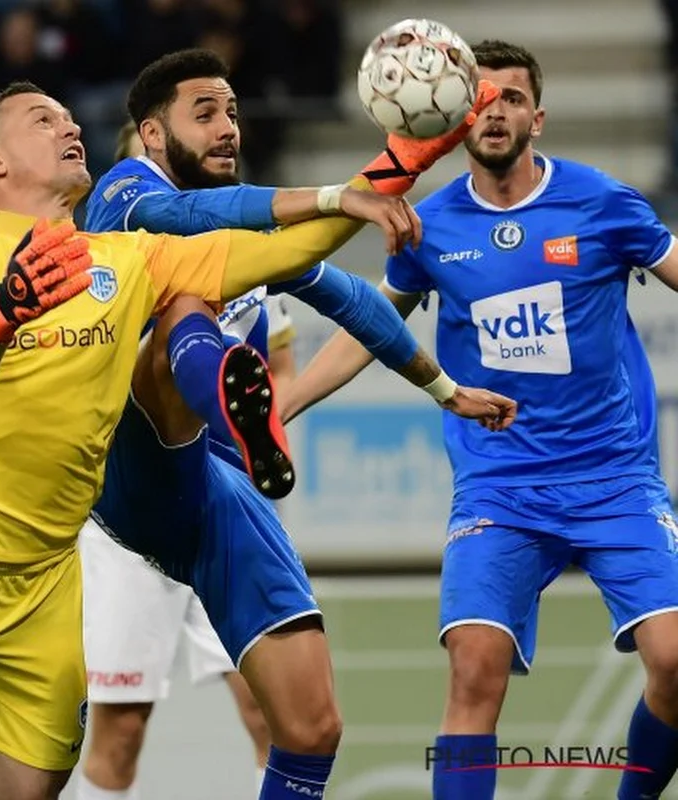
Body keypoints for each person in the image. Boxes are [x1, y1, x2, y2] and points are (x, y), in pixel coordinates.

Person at [0, 78, 494, 800]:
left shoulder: (127, 259)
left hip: (43, 584)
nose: (69, 126)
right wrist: (2, 313)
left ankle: (215, 407)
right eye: (42, 119)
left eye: (68, 116)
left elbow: (279, 247)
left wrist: (395, 167)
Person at [77, 49, 517, 800]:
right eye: (205, 113)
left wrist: (443, 388)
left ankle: (249, 425)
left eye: (234, 113)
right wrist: (339, 196)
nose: (228, 129)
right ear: (152, 134)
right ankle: (234, 406)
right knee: (186, 300)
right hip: (130, 486)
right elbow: (198, 215)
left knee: (308, 728)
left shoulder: (247, 240)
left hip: (221, 493)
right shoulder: (125, 194)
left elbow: (349, 296)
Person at [280, 40, 678, 800]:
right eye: (480, 101)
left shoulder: (603, 203)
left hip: (614, 478)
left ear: (539, 116)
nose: (494, 113)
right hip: (500, 487)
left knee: (676, 659)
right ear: (455, 118)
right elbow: (373, 327)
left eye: (512, 100)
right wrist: (286, 405)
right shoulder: (428, 227)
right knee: (473, 666)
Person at [79, 124, 297, 800]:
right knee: (119, 727)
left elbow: (279, 363)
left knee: (275, 713)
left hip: (226, 502)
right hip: (133, 519)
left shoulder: (244, 256)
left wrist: (263, 438)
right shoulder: (108, 267)